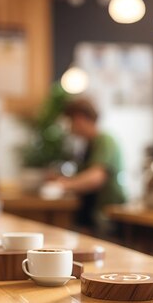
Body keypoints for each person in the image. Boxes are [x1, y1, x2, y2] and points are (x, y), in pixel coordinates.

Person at [54, 98, 126, 236]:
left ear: (79, 118)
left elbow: (96, 178)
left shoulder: (105, 140)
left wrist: (64, 185)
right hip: (95, 215)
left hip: (107, 214)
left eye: (69, 121)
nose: (69, 127)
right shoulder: (89, 144)